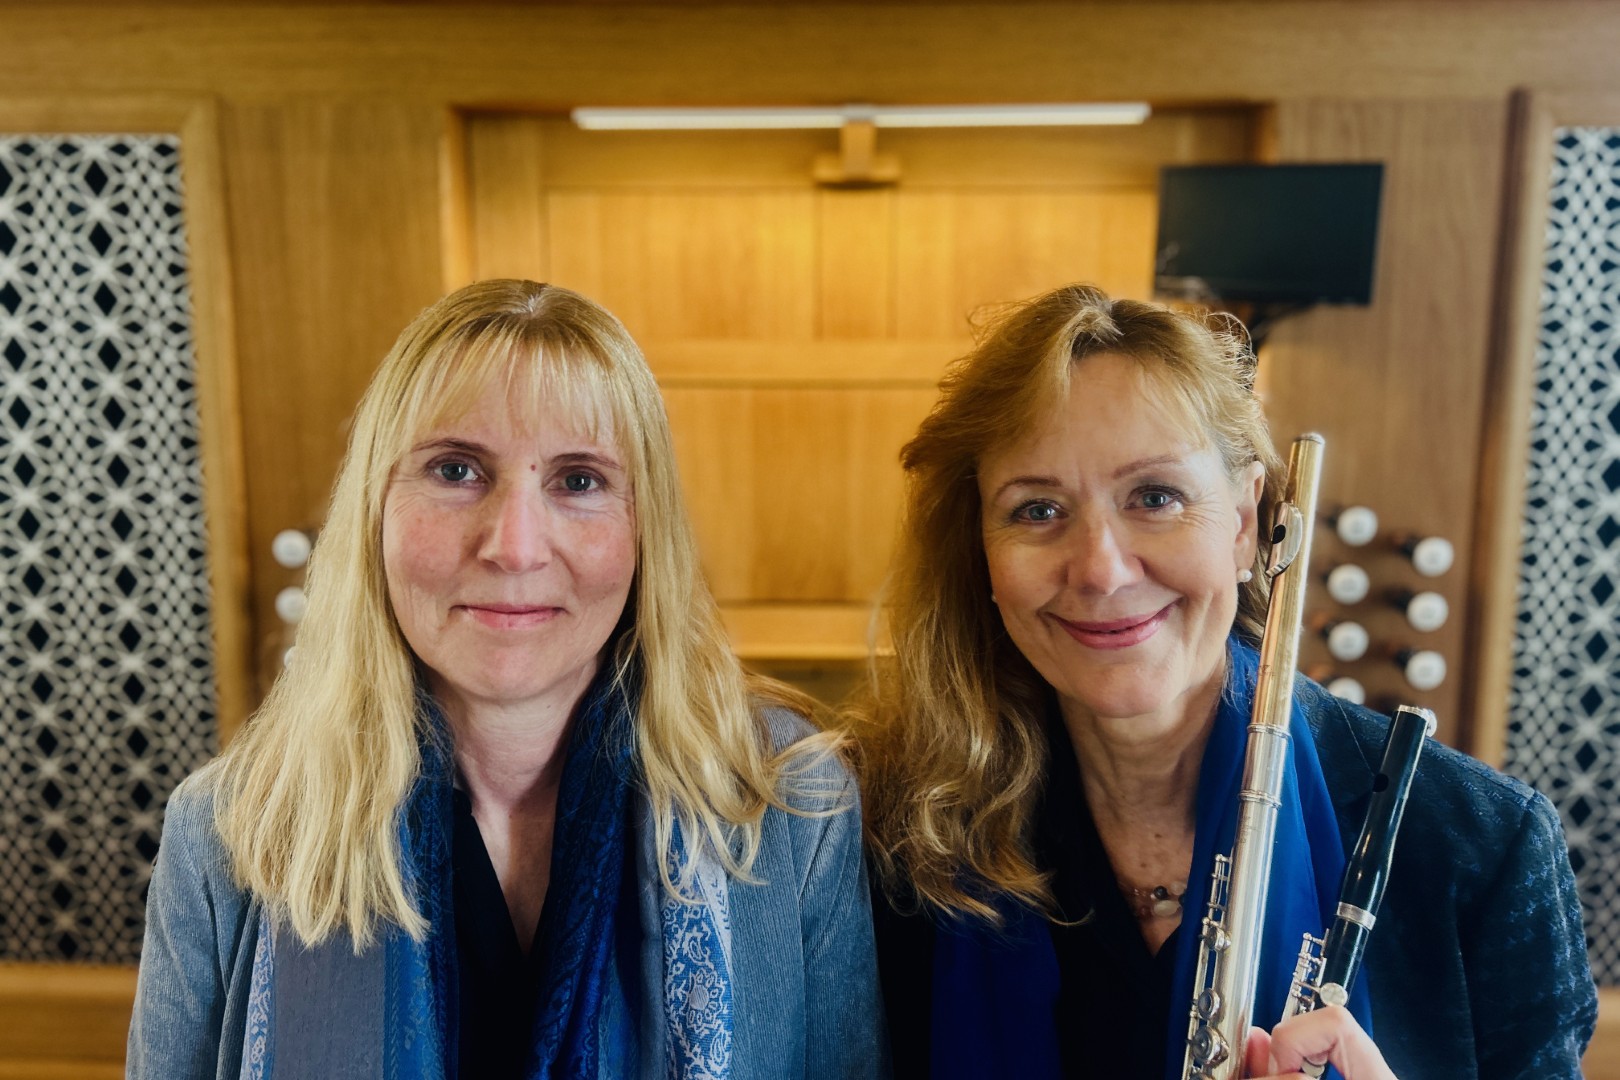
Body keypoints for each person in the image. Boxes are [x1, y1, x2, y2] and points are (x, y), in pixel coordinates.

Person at [128, 280, 884, 1079]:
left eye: (579, 480)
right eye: (456, 470)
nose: (516, 547)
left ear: (645, 529)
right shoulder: (227, 830)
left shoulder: (791, 803)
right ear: (373, 512)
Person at [848, 283, 1596, 1079]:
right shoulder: (888, 836)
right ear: (980, 553)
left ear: (1244, 523)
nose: (1101, 570)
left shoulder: (1480, 849)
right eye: (1037, 510)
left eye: (1155, 496)